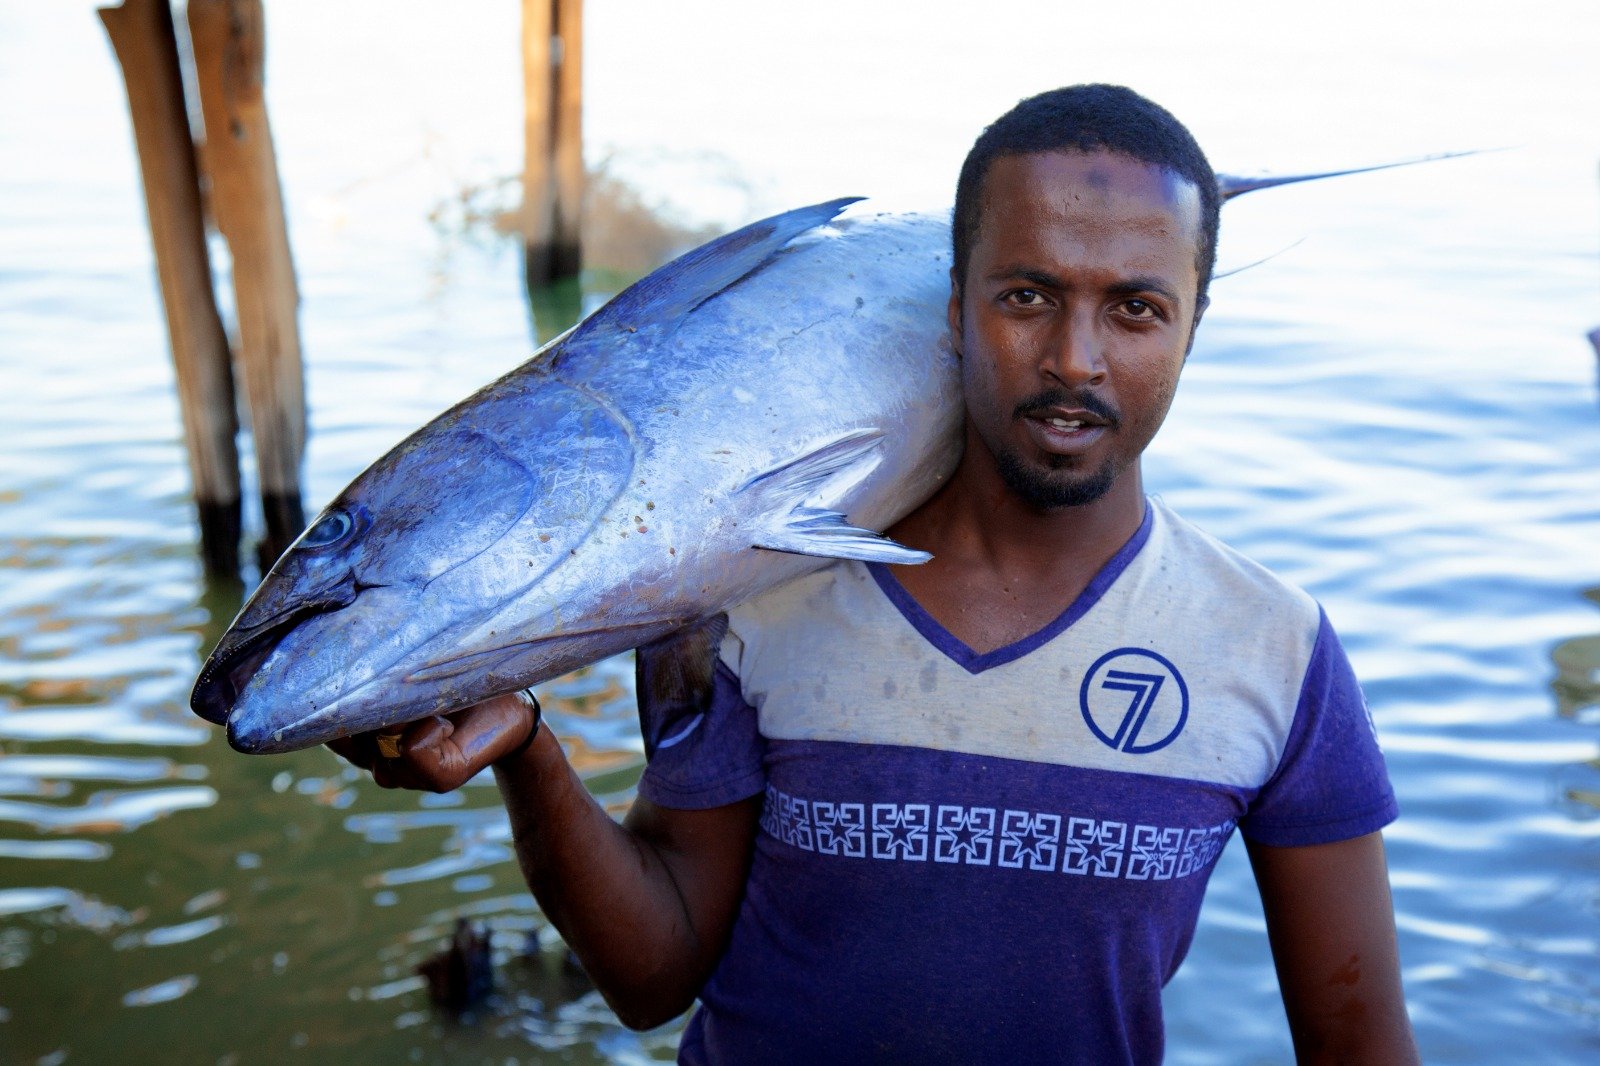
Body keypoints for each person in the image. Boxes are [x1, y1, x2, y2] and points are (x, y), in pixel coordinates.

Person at [335, 84, 1418, 1064]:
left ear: (1191, 329)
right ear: (954, 304)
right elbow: (652, 973)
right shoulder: (749, 596)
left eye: (1134, 308)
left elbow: (1357, 1037)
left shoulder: (1273, 648)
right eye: (1027, 296)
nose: (1075, 359)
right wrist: (528, 747)